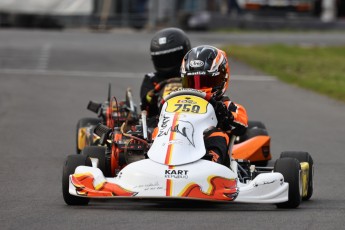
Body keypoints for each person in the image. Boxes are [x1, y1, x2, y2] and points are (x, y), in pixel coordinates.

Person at [180, 45, 248, 166]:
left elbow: (242, 125)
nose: (198, 89)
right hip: (178, 141)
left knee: (218, 135)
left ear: (222, 78)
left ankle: (210, 166)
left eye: (205, 82)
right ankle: (151, 162)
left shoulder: (227, 106)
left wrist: (225, 115)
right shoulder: (178, 102)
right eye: (192, 82)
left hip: (206, 147)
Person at [140, 27, 191, 125]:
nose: (167, 62)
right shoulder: (151, 80)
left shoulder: (192, 77)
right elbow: (145, 105)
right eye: (162, 59)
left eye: (172, 58)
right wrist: (153, 96)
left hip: (193, 118)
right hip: (159, 123)